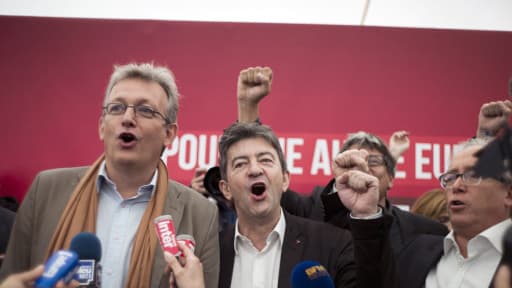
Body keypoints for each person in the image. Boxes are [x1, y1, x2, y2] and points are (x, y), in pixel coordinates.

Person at [0, 63, 219, 288]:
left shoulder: (200, 214)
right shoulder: (45, 190)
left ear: (169, 134)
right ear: (102, 127)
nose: (127, 118)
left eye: (145, 110)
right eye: (116, 108)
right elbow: (12, 279)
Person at [232, 66, 448, 258]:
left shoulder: (424, 232)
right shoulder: (310, 210)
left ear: (391, 178)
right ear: (338, 169)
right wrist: (248, 106)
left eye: (373, 160)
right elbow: (266, 187)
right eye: (353, 160)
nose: (363, 166)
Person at [217, 122, 395, 288]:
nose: (255, 170)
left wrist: (366, 216)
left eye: (265, 160)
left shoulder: (333, 243)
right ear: (226, 189)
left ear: (285, 180)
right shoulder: (210, 251)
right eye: (240, 164)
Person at [398, 138, 512, 288]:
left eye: (473, 175)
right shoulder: (416, 253)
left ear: (508, 194)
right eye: (450, 178)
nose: (457, 186)